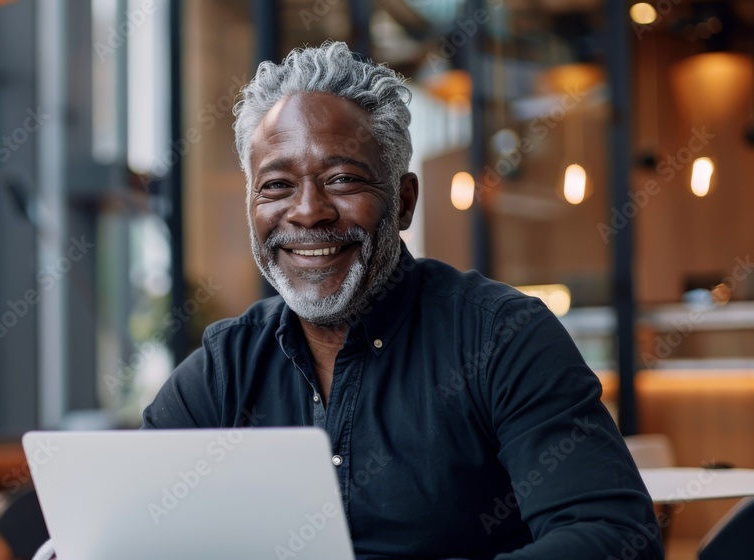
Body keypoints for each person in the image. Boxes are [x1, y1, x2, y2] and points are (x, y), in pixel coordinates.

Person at [142, 42, 662, 559]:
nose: (308, 212)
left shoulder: (502, 336)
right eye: (276, 185)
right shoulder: (228, 364)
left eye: (342, 179)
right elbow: (125, 513)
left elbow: (612, 537)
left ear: (404, 201)